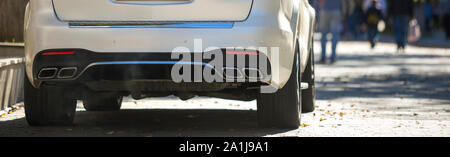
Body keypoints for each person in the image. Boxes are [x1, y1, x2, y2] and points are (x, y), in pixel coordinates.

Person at [318, 0, 344, 64]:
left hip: (324, 10)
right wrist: (343, 12)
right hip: (336, 11)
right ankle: (333, 57)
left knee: (323, 34)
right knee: (334, 34)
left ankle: (323, 56)